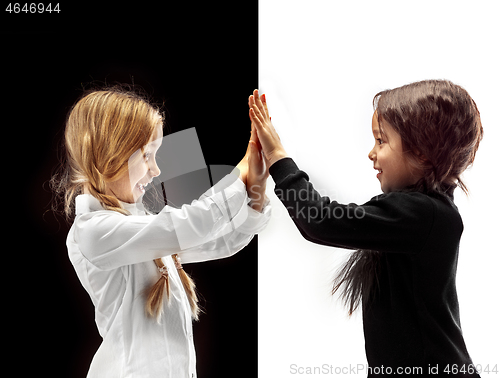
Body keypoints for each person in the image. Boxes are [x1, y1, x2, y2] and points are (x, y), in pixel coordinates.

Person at [248, 80, 483, 377]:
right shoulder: (418, 213)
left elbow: (319, 219)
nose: (371, 153)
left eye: (381, 141)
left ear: (422, 152)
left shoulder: (426, 215)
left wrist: (278, 158)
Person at [51, 86, 271, 377]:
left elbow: (220, 240)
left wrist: (256, 184)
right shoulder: (93, 231)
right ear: (111, 155)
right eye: (147, 156)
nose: (155, 170)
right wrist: (243, 172)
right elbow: (186, 225)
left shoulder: (142, 228)